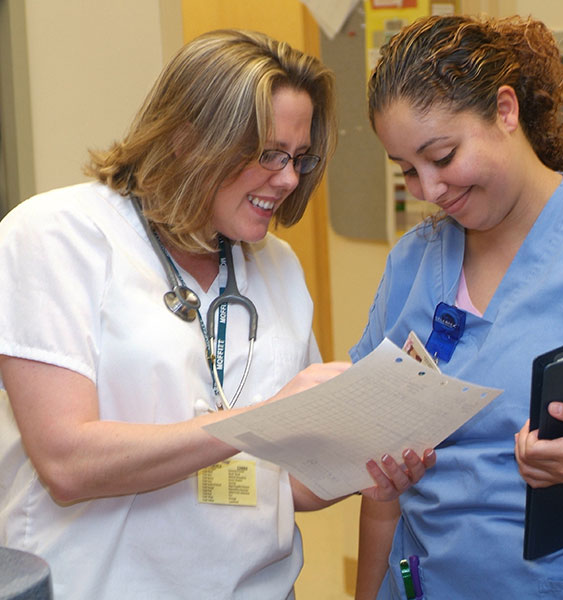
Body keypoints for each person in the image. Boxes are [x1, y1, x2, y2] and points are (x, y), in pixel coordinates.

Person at [0, 29, 435, 600]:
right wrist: (261, 417)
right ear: (188, 137)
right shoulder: (57, 235)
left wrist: (369, 467)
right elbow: (66, 464)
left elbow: (290, 482)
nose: (287, 180)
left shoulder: (276, 266)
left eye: (299, 159)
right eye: (268, 154)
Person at [352, 14, 563, 599]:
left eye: (443, 156)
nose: (429, 190)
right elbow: (379, 485)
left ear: (505, 111)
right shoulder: (412, 265)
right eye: (407, 170)